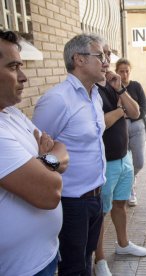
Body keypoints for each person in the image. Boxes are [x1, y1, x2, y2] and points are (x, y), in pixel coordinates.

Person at [32, 33, 107, 276]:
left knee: (86, 258)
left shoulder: (94, 95)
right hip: (72, 201)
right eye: (100, 55)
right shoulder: (57, 99)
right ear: (79, 59)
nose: (106, 61)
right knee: (74, 268)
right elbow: (37, 150)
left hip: (96, 194)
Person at [0, 29, 69, 276]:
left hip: (44, 255)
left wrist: (39, 163)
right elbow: (50, 192)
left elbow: (62, 150)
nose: (23, 77)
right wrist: (48, 162)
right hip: (20, 268)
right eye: (13, 67)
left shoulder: (12, 114)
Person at [94, 46, 146, 276]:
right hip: (106, 162)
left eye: (108, 56)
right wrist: (119, 111)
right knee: (100, 212)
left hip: (124, 156)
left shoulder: (113, 86)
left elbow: (135, 113)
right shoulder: (91, 90)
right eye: (101, 56)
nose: (106, 61)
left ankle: (123, 244)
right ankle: (99, 260)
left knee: (120, 204)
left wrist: (120, 90)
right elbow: (102, 122)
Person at [115, 58, 146, 207]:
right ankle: (130, 190)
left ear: (130, 71)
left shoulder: (136, 86)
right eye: (121, 71)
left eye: (126, 71)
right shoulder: (113, 87)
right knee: (125, 161)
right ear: (116, 72)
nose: (124, 74)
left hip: (137, 127)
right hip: (120, 128)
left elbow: (144, 109)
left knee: (139, 162)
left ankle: (131, 179)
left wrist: (129, 113)